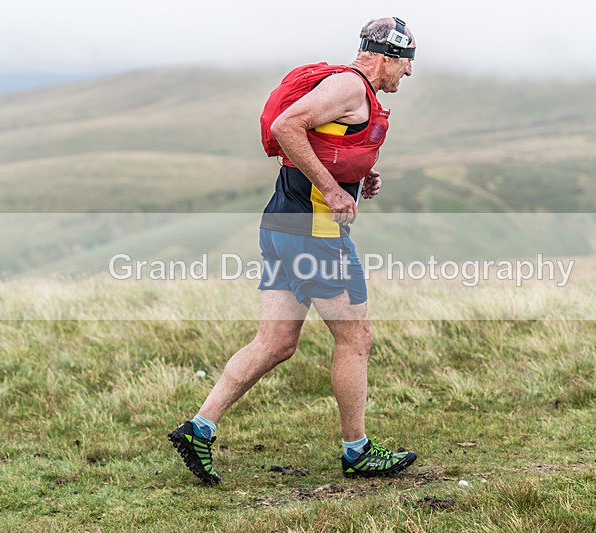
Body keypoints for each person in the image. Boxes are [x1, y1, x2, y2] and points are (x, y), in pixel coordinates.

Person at [168, 17, 417, 484]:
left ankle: (199, 428)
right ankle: (357, 451)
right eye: (405, 63)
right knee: (355, 337)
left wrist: (355, 179)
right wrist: (333, 189)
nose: (408, 73)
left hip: (282, 225)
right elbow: (288, 126)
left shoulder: (351, 91)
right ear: (385, 58)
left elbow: (324, 144)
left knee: (275, 342)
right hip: (315, 233)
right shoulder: (349, 86)